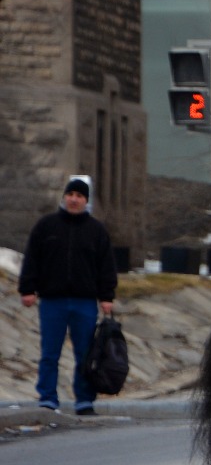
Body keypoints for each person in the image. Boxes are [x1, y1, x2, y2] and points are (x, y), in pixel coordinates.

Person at [18, 177, 117, 416]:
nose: (74, 199)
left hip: (85, 302)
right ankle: (48, 399)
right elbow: (32, 258)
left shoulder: (97, 231)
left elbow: (106, 266)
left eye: (80, 196)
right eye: (70, 194)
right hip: (53, 301)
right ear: (64, 197)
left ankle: (84, 400)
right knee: (49, 353)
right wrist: (27, 288)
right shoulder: (46, 226)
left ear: (86, 201)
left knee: (84, 354)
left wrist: (106, 296)